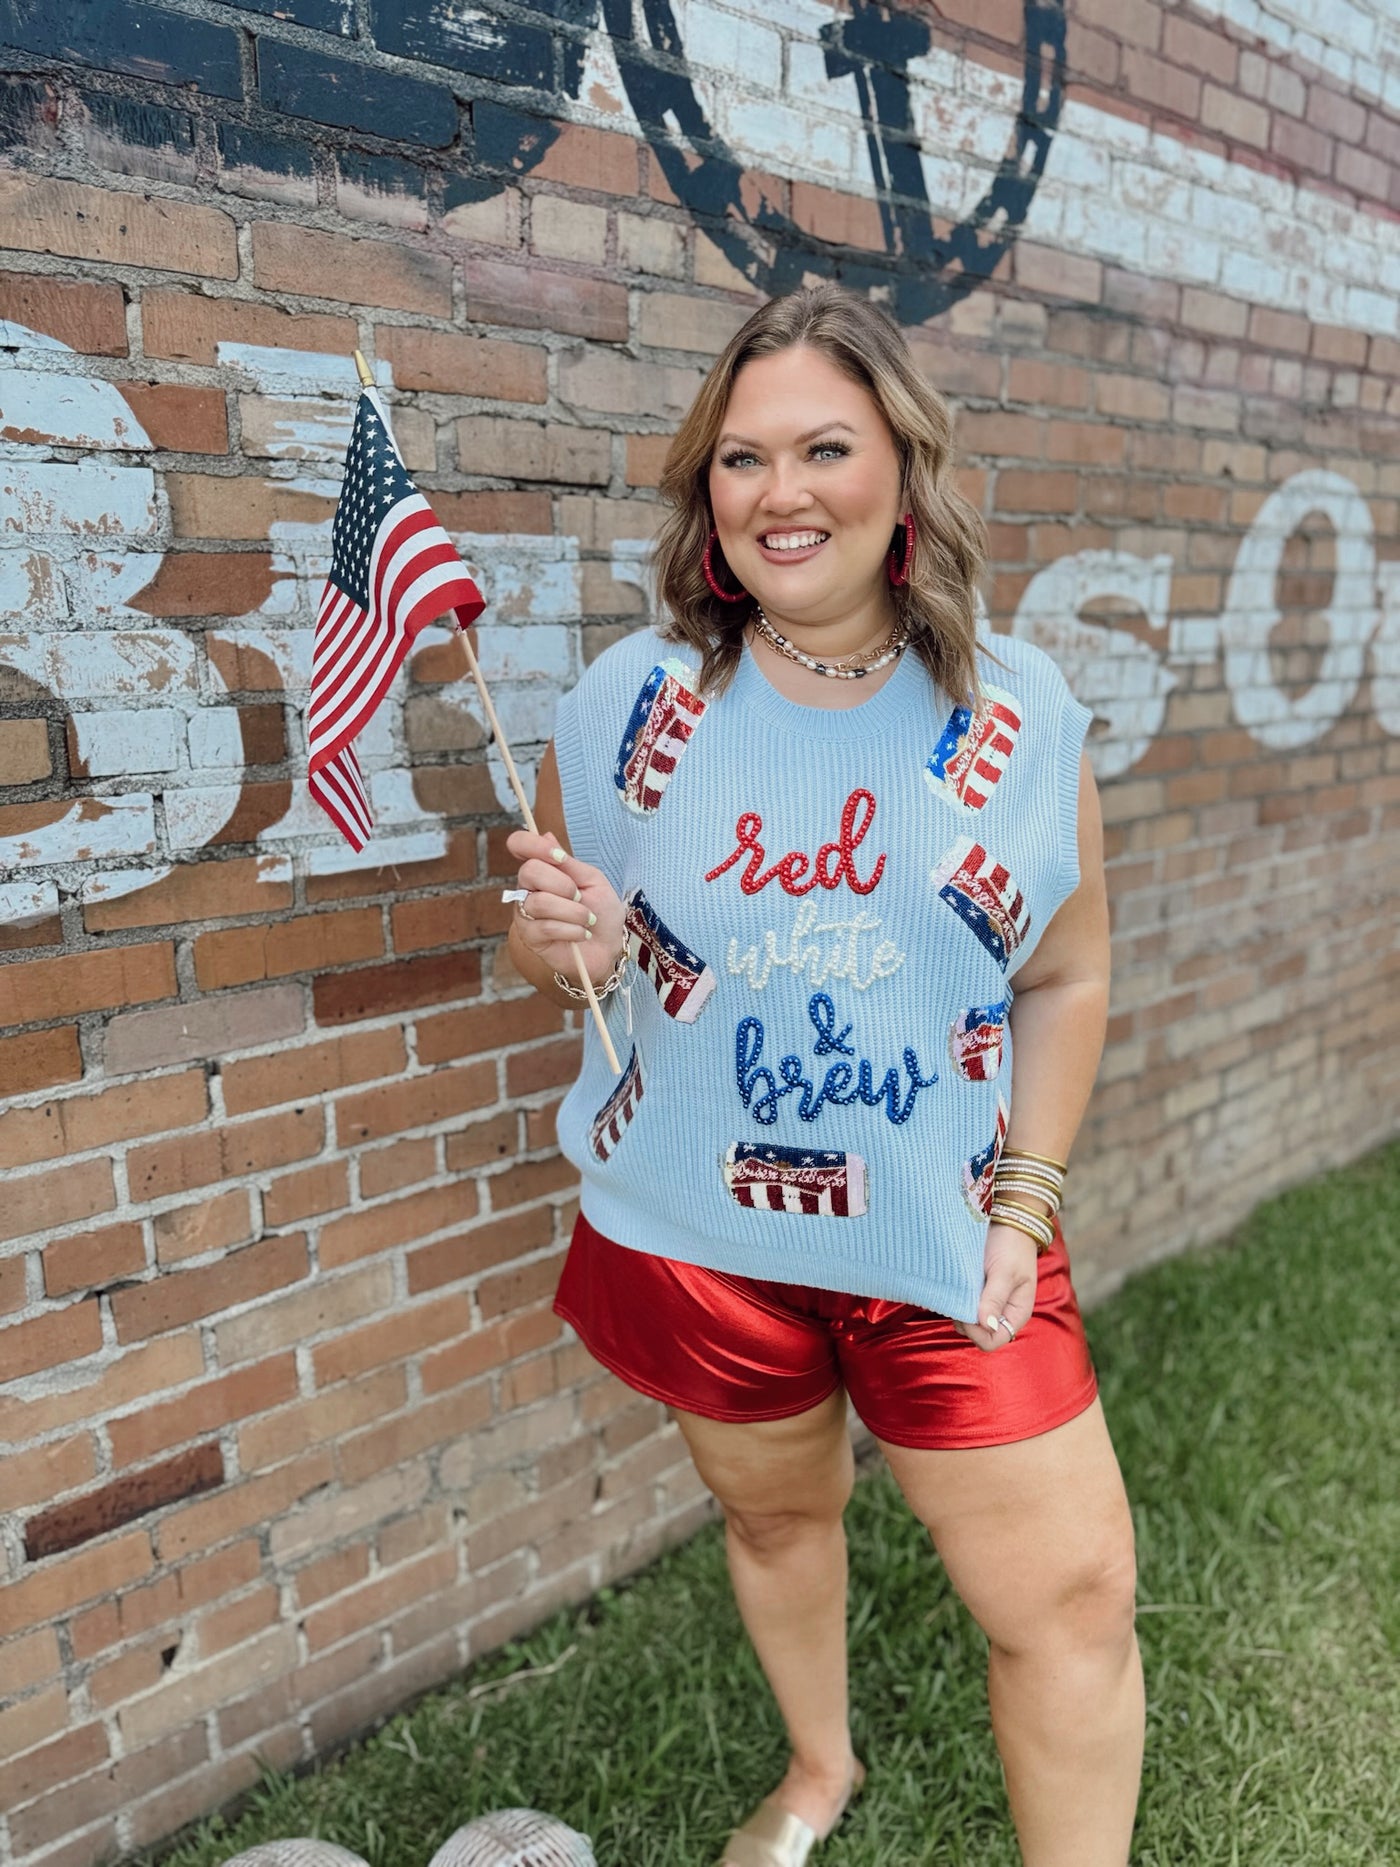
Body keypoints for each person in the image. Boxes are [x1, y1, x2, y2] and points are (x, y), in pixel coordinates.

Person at [504, 283, 1142, 1867]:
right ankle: (816, 1769)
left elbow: (1066, 971)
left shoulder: (1020, 714)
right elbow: (568, 957)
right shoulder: (625, 711)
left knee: (1070, 1599)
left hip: (947, 1239)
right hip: (708, 1239)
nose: (779, 493)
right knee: (777, 1518)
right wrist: (560, 949)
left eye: (823, 447)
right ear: (705, 492)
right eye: (741, 458)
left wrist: (1030, 1195)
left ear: (901, 470)